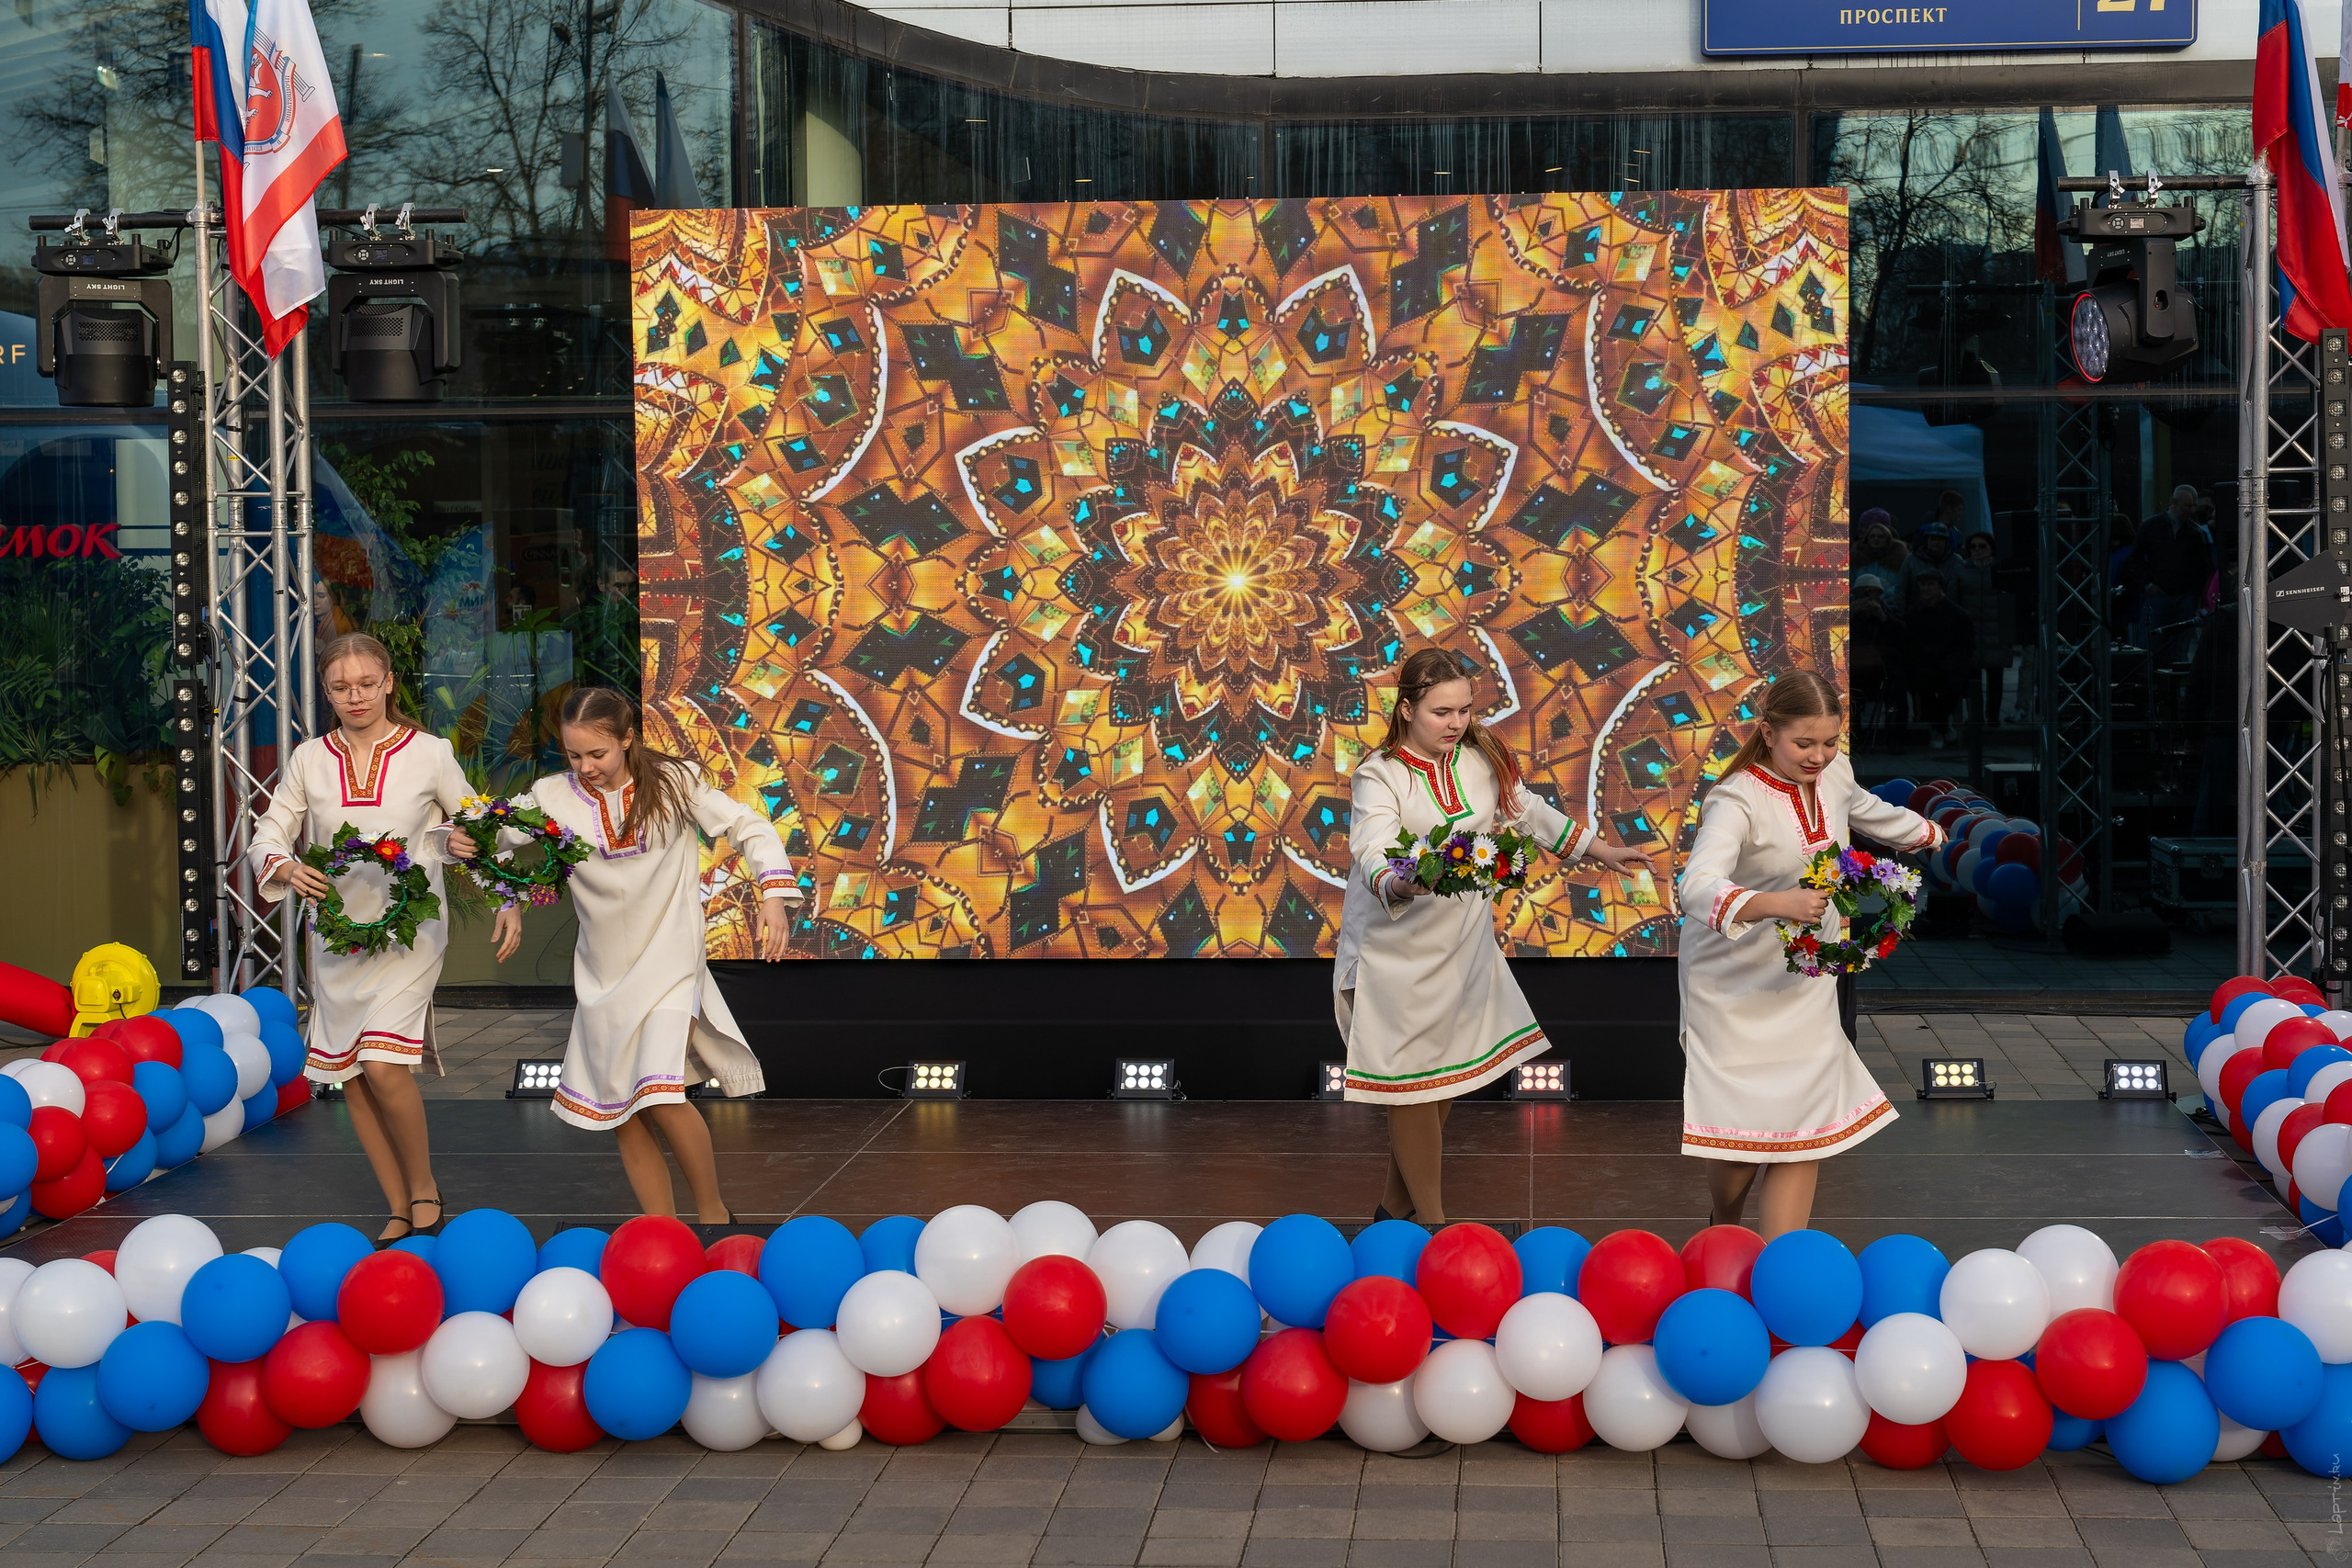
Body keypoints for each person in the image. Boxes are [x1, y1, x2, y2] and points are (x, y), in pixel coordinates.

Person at [1336, 648, 1651, 1226]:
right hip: (1393, 957)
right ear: (1406, 709)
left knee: (1440, 1083)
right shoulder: (1377, 775)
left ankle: (1389, 1217)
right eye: (1441, 712)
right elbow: (1372, 847)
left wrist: (1600, 850)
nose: (1457, 723)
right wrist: (1402, 882)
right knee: (1411, 1090)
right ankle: (1434, 1229)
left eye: (1465, 710)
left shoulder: (1479, 757)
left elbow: (1523, 810)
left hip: (1461, 950)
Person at [487, 687, 798, 1226]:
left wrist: (773, 894)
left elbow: (749, 825)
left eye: (598, 754)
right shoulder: (551, 798)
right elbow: (481, 836)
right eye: (574, 755)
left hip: (671, 965)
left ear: (628, 739)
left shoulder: (675, 783)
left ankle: (712, 1216)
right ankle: (662, 1231)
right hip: (603, 976)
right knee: (624, 1112)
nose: (585, 767)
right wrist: (506, 901)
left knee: (659, 1094)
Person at [1675, 671, 1946, 1238]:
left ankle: (1781, 1262)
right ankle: (1724, 1226)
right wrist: (1777, 902)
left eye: (1830, 741)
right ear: (1768, 732)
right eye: (1804, 743)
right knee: (1739, 1141)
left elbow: (1864, 807)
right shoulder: (1734, 800)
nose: (1819, 756)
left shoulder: (1834, 772)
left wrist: (1929, 834)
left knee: (1803, 1130)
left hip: (1805, 982)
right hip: (1732, 989)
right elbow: (1695, 887)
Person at [249, 632, 481, 1242]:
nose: (355, 696)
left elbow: (475, 824)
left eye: (366, 684)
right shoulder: (308, 759)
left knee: (381, 1066)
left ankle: (425, 1187)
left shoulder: (430, 752)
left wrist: (484, 872)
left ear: (388, 683)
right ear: (326, 691)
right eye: (340, 686)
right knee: (348, 1071)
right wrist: (280, 863)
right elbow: (270, 830)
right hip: (336, 938)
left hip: (412, 933)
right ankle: (398, 1205)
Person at [1947, 532, 2012, 728]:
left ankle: (1993, 717)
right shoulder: (1962, 570)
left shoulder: (2001, 570)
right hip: (1971, 633)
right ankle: (1975, 716)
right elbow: (1954, 600)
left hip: (1996, 632)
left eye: (1982, 546)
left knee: (1996, 677)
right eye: (1973, 547)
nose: (1977, 550)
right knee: (1972, 677)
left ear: (1991, 548)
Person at [1903, 575, 1975, 750]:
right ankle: (1943, 727)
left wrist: (1950, 663)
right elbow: (1909, 644)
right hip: (1924, 665)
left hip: (1951, 665)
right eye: (1923, 585)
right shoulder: (1914, 613)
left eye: (1930, 584)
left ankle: (1937, 728)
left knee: (1952, 687)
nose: (1926, 588)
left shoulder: (1957, 613)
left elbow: (1966, 646)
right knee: (1922, 686)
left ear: (1940, 587)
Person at [1853, 510, 1908, 611]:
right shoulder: (1856, 557)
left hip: (1890, 607)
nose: (1876, 539)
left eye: (1881, 537)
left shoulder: (1901, 558)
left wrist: (1884, 597)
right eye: (1872, 536)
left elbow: (1902, 584)